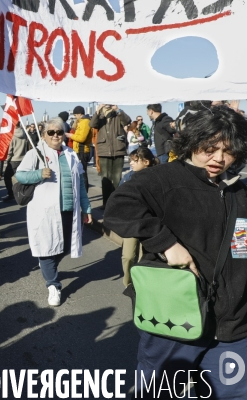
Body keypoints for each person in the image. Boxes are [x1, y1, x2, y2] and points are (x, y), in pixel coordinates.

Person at [104, 106, 247, 398]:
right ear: (194, 142)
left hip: (233, 326)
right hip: (173, 322)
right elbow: (117, 210)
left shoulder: (240, 189)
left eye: (228, 151)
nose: (219, 158)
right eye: (210, 148)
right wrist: (166, 244)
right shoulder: (165, 179)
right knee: (160, 393)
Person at [15, 118, 92, 306]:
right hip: (44, 212)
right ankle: (53, 284)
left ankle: (49, 268)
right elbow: (20, 174)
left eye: (59, 132)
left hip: (68, 210)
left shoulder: (71, 154)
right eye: (51, 132)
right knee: (46, 247)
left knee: (64, 246)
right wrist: (39, 174)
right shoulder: (36, 153)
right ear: (44, 135)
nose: (56, 135)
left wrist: (86, 208)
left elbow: (80, 184)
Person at [117, 147, 158, 287]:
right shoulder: (128, 177)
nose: (131, 164)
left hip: (150, 222)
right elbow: (118, 197)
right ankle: (128, 283)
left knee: (144, 256)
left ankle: (140, 285)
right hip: (131, 221)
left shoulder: (158, 177)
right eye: (130, 161)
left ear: (146, 162)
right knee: (128, 256)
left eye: (135, 161)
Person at [90, 104, 131, 208]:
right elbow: (92, 124)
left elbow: (127, 121)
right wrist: (97, 111)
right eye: (105, 102)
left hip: (118, 150)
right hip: (104, 151)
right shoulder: (99, 117)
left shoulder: (118, 115)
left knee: (117, 178)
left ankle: (117, 202)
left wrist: (118, 110)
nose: (107, 105)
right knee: (106, 179)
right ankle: (106, 203)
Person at [66, 106, 92, 192]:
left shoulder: (85, 122)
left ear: (80, 114)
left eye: (76, 114)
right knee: (80, 172)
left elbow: (81, 138)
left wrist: (71, 136)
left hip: (82, 150)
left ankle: (84, 193)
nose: (75, 116)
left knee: (82, 173)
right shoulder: (81, 122)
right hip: (79, 150)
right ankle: (82, 192)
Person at [2, 121, 27, 201]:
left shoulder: (12, 136)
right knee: (21, 178)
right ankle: (23, 192)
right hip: (22, 159)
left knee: (7, 177)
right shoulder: (25, 134)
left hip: (14, 160)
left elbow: (10, 150)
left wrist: (7, 160)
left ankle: (11, 193)